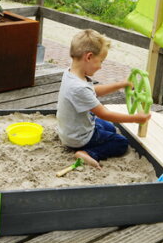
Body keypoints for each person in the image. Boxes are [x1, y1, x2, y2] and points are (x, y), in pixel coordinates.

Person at [56, 29, 151, 169]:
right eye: (100, 61)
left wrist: (120, 84)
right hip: (78, 139)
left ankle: (86, 145)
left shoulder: (70, 73)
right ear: (88, 57)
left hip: (69, 130)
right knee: (121, 143)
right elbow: (104, 114)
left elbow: (93, 92)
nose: (101, 66)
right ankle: (87, 153)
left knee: (110, 128)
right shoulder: (79, 88)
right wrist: (136, 118)